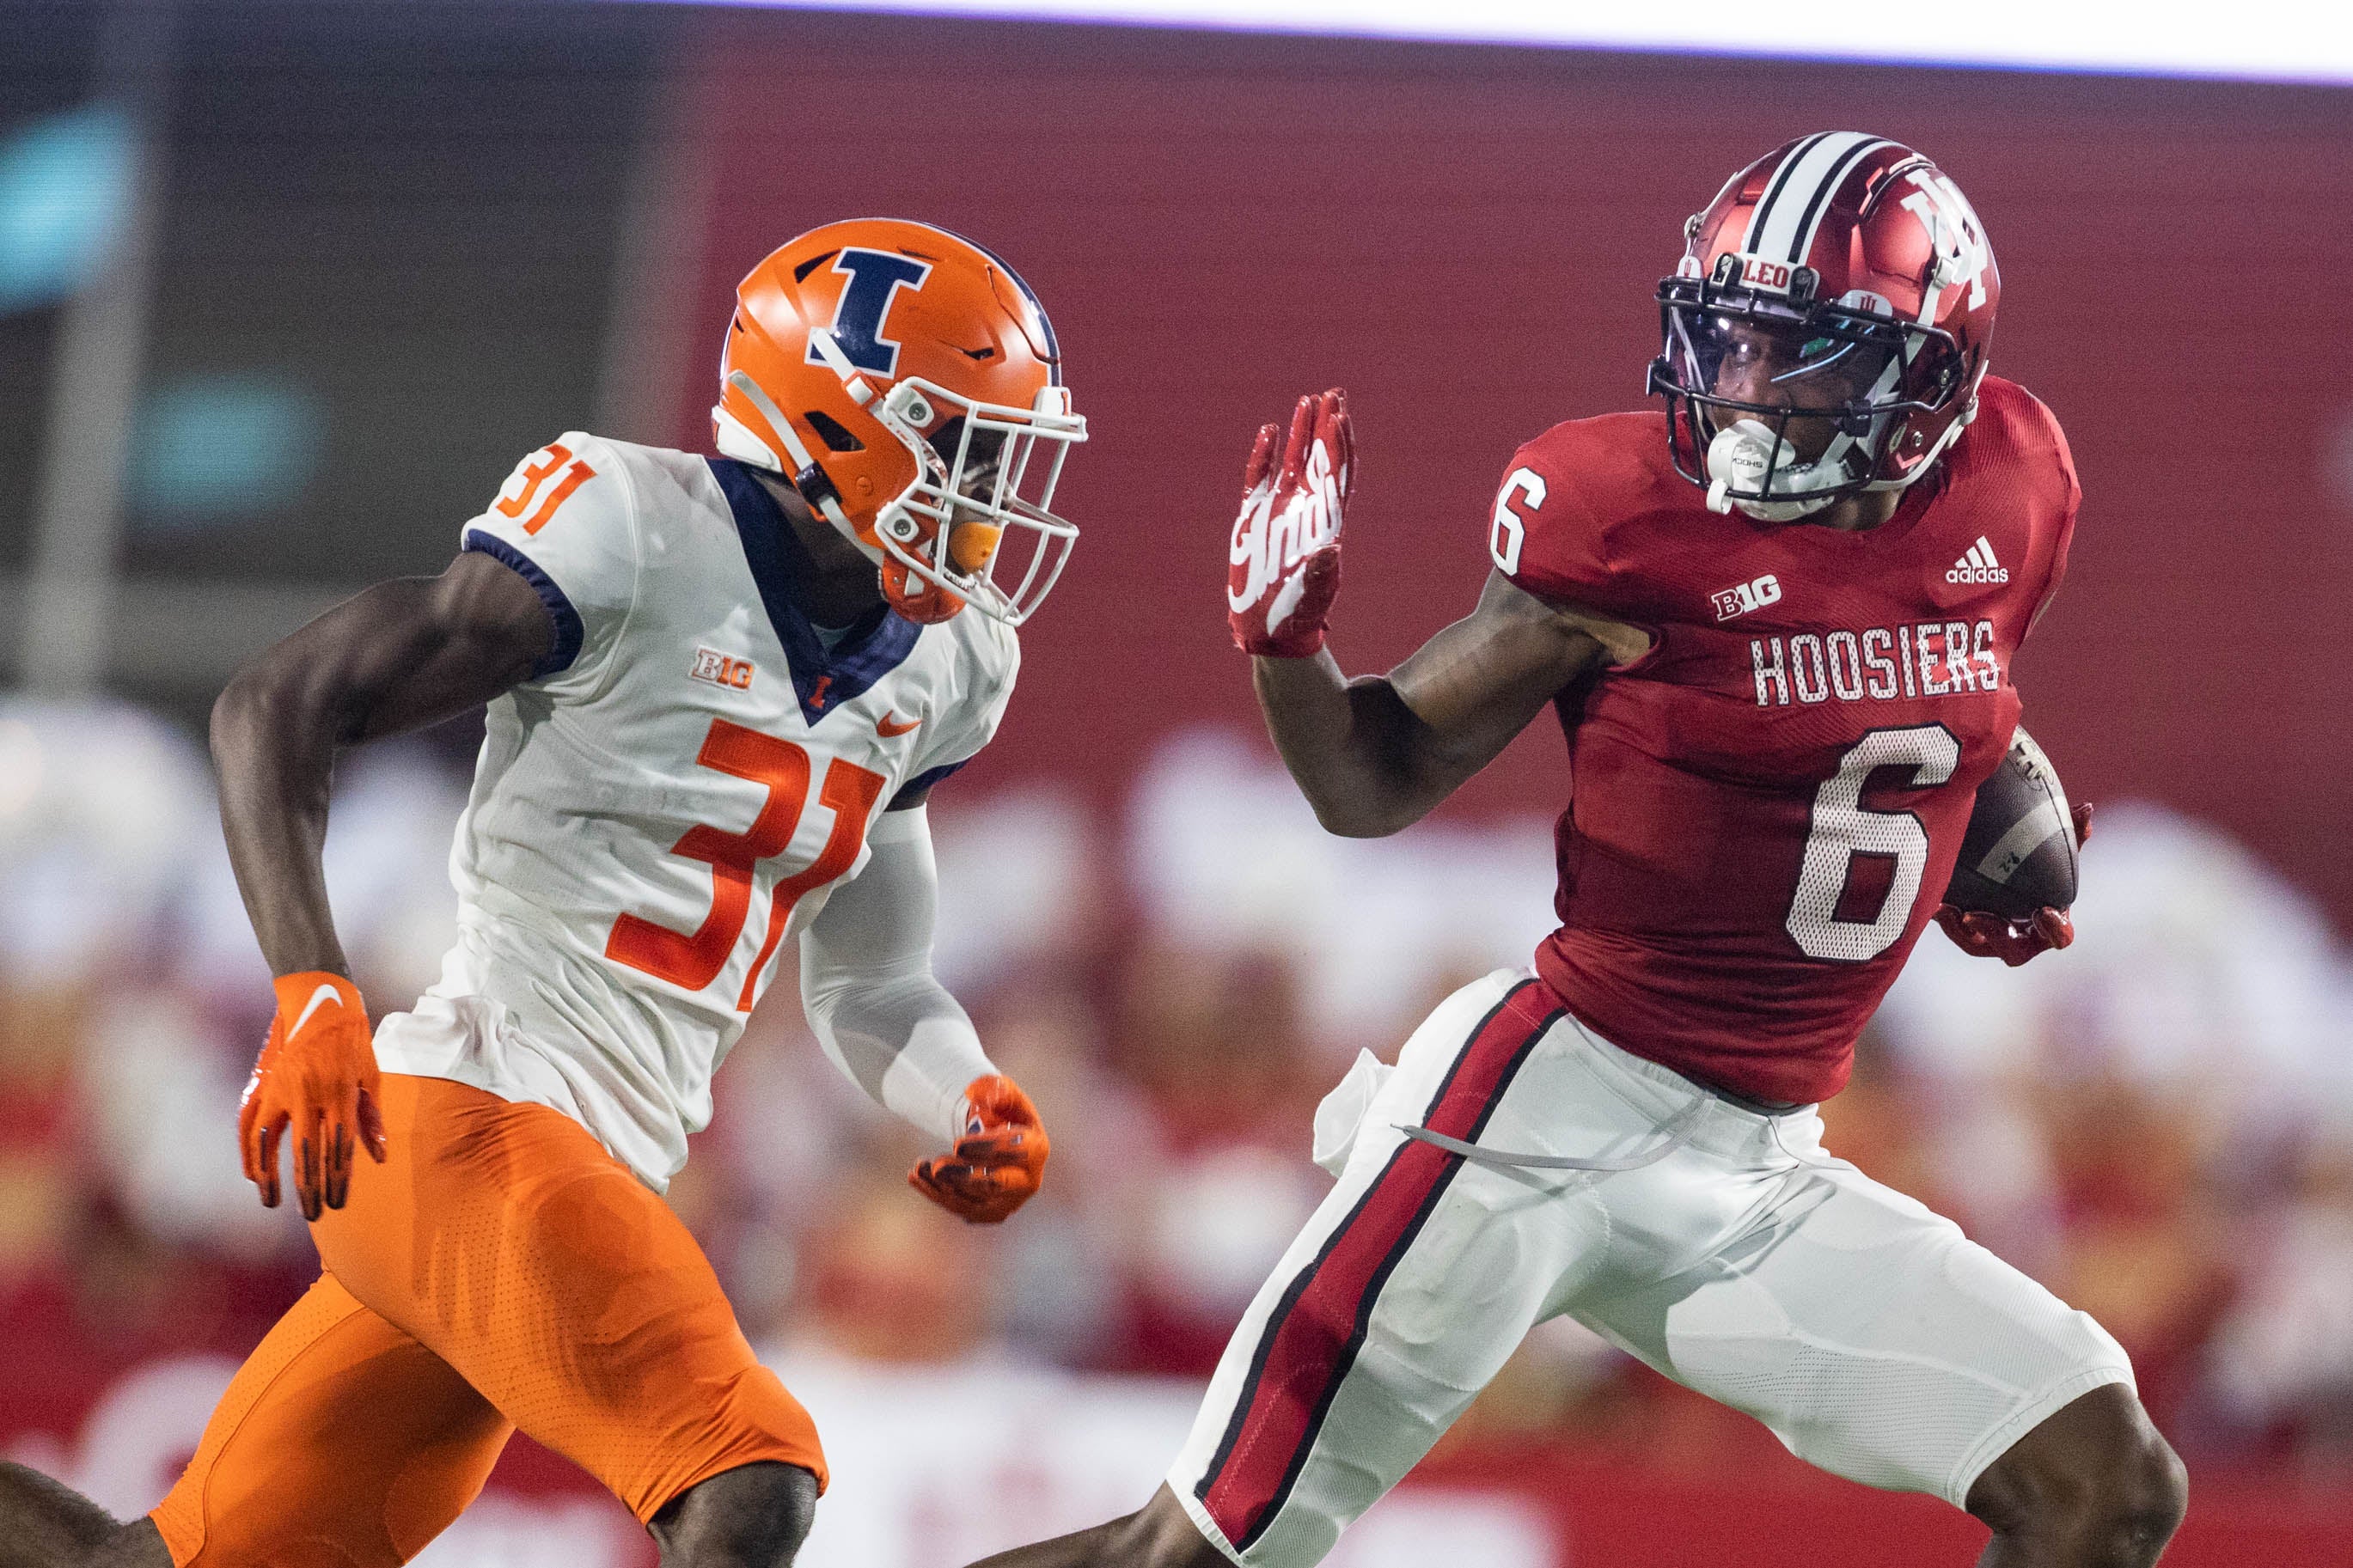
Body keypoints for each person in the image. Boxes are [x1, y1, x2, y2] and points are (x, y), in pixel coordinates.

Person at [968, 134, 2184, 1568]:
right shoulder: (1620, 519)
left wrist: (1973, 823)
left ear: (1924, 380)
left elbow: (1929, 690)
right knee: (1186, 1561)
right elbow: (1371, 780)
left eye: (1798, 354)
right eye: (1726, 340)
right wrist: (1287, 650)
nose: (1742, 390)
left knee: (2105, 1481)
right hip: (1537, 1115)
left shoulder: (2015, 484)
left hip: (1761, 1166)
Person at [0, 217, 1081, 1568]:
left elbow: (870, 971)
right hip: (473, 1117)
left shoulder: (948, 662)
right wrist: (310, 984)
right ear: (835, 419)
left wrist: (957, 1090)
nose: (987, 490)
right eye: (962, 444)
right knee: (747, 1476)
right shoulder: (636, 527)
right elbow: (274, 705)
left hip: (565, 1178)